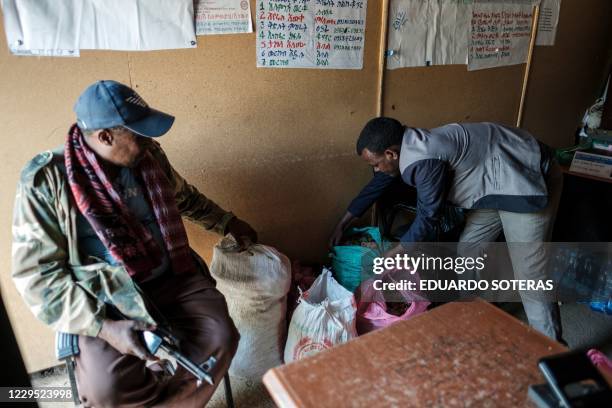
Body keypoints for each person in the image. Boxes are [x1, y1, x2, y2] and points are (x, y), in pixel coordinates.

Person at [12, 80, 257, 407]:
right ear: (105, 137)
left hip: (172, 279)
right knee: (107, 389)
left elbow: (184, 198)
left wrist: (227, 222)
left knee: (220, 337)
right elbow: (37, 277)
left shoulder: (149, 158)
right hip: (105, 300)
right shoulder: (47, 181)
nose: (148, 140)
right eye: (138, 134)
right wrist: (104, 327)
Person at [329, 117, 563, 341]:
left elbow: (428, 219)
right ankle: (470, 313)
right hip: (492, 186)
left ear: (391, 153)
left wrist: (391, 256)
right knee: (468, 249)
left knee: (529, 271)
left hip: (524, 176)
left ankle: (551, 346)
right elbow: (378, 184)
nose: (376, 170)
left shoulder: (423, 159)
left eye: (376, 164)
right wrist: (342, 224)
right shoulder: (405, 148)